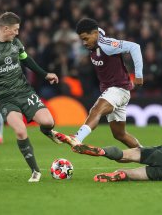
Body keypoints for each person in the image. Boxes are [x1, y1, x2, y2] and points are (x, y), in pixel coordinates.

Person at [0, 12, 63, 182]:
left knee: (48, 122)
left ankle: (47, 132)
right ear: (5, 28)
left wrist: (45, 75)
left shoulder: (15, 42)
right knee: (20, 130)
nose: (17, 33)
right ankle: (35, 171)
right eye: (15, 30)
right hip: (6, 98)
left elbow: (26, 60)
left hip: (25, 92)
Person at [56, 18, 144, 148]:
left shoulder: (107, 45)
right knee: (120, 134)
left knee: (96, 109)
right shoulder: (95, 40)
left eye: (86, 39)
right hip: (114, 90)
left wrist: (139, 75)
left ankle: (77, 137)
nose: (84, 43)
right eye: (82, 40)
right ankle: (149, 155)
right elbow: (98, 29)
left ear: (95, 34)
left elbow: (134, 47)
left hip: (118, 89)